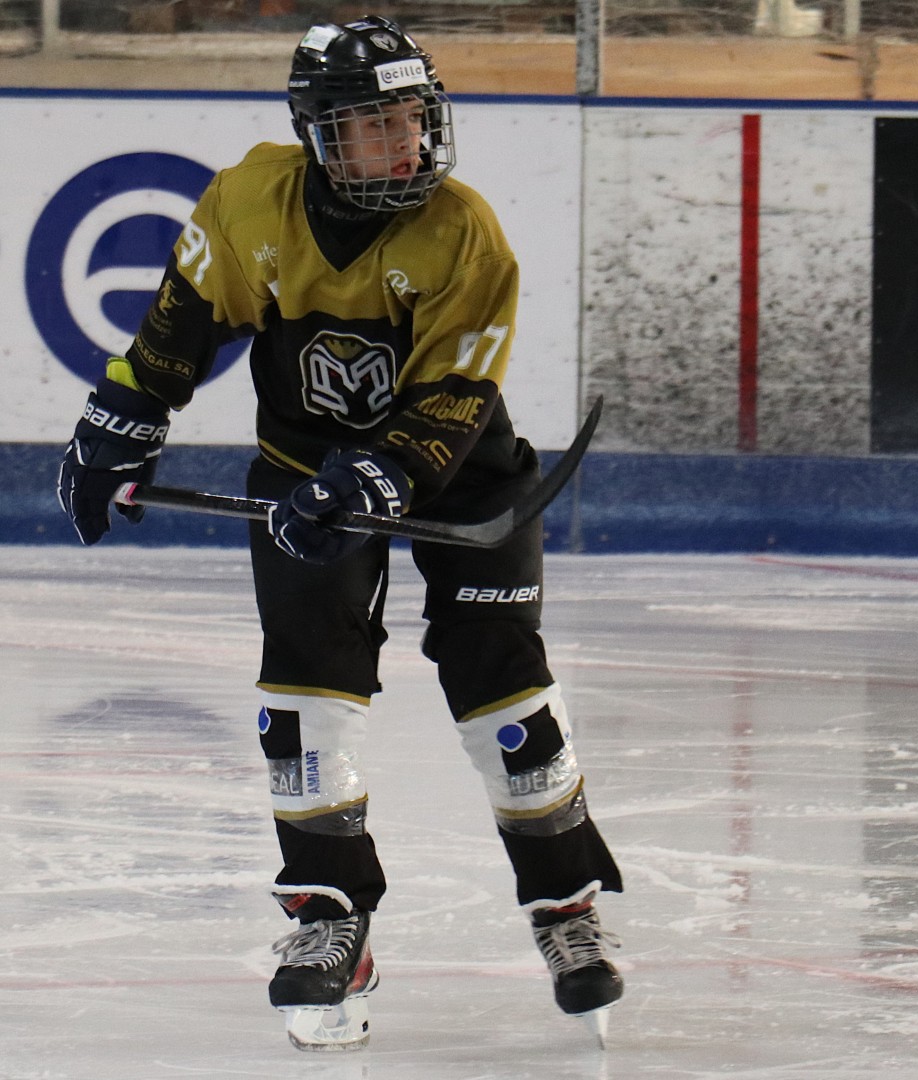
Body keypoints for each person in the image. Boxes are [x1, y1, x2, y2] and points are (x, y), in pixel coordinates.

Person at [55, 14, 624, 1052]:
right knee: (304, 690)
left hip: (458, 471)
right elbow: (182, 322)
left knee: (502, 681)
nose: (403, 143)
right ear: (319, 135)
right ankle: (329, 916)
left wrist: (379, 474)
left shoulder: (464, 230)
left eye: (411, 118)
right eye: (373, 126)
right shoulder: (251, 202)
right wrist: (122, 422)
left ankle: (565, 904)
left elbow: (455, 394)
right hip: (298, 468)